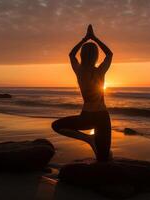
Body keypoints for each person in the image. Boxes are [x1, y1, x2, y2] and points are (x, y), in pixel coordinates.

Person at [52, 24, 113, 162]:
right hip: (102, 116)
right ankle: (90, 140)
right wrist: (94, 38)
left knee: (56, 126)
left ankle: (89, 140)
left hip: (86, 116)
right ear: (96, 56)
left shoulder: (79, 71)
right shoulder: (100, 71)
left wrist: (84, 39)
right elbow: (109, 54)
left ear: (82, 55)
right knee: (103, 160)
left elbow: (71, 54)